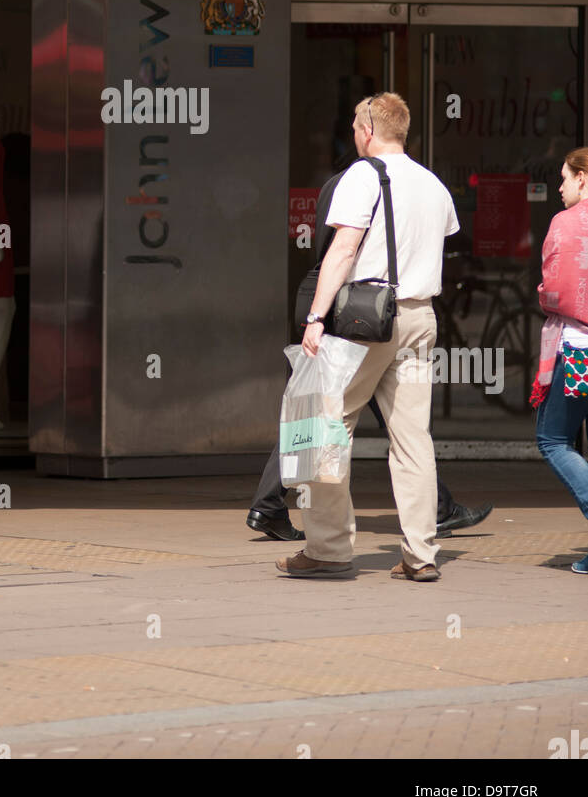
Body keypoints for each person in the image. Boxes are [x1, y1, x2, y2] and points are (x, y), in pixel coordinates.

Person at [247, 164, 492, 542]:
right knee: (347, 418)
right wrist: (320, 316)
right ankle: (424, 516)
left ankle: (271, 506)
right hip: (357, 311)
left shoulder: (338, 183)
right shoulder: (373, 185)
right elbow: (346, 251)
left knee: (323, 411)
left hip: (336, 304)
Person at [275, 92, 458, 582]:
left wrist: (315, 316)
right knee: (413, 438)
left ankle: (329, 547)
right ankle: (420, 554)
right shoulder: (433, 183)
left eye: (356, 127)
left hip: (367, 319)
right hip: (420, 316)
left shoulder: (363, 175)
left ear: (369, 130)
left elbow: (343, 250)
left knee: (327, 422)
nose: (354, 135)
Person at [532, 147, 588, 573]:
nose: (559, 186)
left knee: (553, 439)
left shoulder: (565, 224)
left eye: (565, 177)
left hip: (577, 350)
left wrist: (542, 294)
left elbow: (554, 291)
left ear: (582, 178)